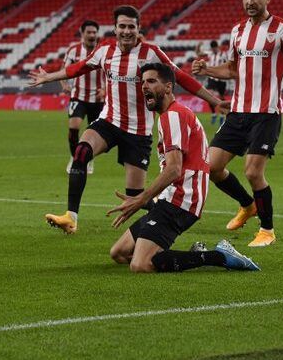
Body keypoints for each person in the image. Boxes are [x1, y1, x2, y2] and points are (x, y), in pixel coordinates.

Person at [28, 5, 227, 234]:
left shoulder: (151, 52)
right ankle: (71, 217)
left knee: (135, 196)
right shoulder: (104, 50)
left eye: (131, 26)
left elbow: (179, 76)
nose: (126, 31)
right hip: (110, 122)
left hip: (138, 132)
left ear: (138, 28)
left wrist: (213, 100)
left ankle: (167, 219)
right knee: (81, 152)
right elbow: (79, 68)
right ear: (115, 28)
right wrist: (48, 77)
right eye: (122, 26)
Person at [192, 0, 283, 247]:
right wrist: (207, 70)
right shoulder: (237, 31)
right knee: (211, 167)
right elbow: (231, 69)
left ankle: (267, 230)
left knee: (253, 172)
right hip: (238, 113)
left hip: (266, 113)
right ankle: (247, 205)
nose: (250, 2)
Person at [107, 63, 259, 272]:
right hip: (171, 197)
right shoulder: (171, 115)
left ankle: (217, 256)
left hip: (182, 199)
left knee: (140, 264)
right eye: (143, 82)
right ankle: (169, 255)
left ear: (168, 87)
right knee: (119, 253)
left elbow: (174, 169)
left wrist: (141, 199)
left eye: (151, 81)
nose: (144, 86)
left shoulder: (174, 115)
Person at [62, 20, 105, 175]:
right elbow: (64, 69)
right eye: (89, 32)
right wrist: (64, 85)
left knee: (93, 132)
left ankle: (88, 158)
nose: (92, 35)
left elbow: (111, 72)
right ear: (82, 33)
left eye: (94, 32)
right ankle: (75, 158)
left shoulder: (103, 50)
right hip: (78, 96)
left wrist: (105, 89)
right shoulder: (73, 50)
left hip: (98, 99)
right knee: (73, 128)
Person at [206, 40, 229, 125]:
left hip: (221, 79)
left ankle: (222, 116)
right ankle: (214, 114)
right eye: (212, 49)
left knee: (221, 97)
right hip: (212, 77)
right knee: (209, 94)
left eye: (214, 48)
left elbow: (228, 64)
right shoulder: (210, 54)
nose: (213, 50)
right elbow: (199, 53)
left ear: (217, 47)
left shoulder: (223, 54)